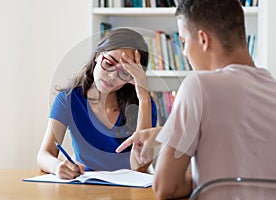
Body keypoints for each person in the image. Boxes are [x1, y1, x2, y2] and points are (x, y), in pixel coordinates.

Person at [116, 0, 276, 199]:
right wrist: (164, 133)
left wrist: (203, 182)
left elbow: (166, 187)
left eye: (183, 41)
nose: (184, 52)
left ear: (203, 39)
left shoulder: (199, 86)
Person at [37, 28, 158, 179]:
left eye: (125, 73)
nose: (112, 76)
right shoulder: (68, 99)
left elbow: (139, 168)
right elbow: (44, 154)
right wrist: (57, 166)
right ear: (97, 55)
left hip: (128, 190)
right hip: (85, 186)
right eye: (108, 63)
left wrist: (144, 98)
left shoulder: (143, 104)